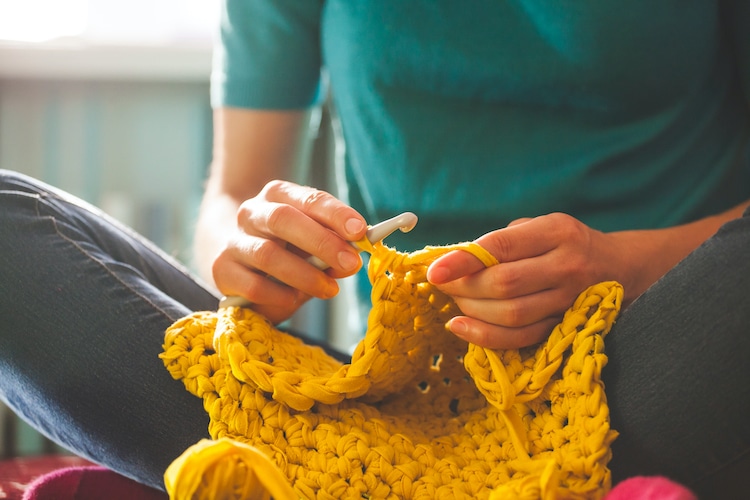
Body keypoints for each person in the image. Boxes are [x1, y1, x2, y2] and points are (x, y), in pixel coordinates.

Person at [1, 1, 749, 497]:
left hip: (641, 369)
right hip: (372, 404)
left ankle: (288, 478)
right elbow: (233, 197)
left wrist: (623, 262)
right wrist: (248, 243)